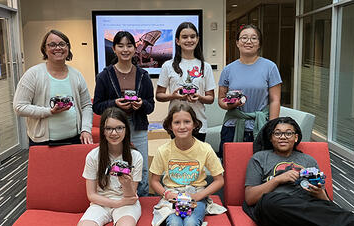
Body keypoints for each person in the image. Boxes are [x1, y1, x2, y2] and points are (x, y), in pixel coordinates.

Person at [150, 104, 225, 226]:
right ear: (170, 126)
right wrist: (167, 194)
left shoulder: (204, 149)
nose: (182, 126)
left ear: (195, 124)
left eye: (186, 121)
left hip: (196, 196)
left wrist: (199, 196)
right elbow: (153, 181)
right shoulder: (164, 150)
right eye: (177, 122)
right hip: (172, 197)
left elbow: (219, 180)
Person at [74, 107, 142, 226]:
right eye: (109, 128)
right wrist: (117, 203)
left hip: (126, 202)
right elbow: (91, 195)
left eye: (119, 128)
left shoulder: (135, 157)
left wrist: (126, 185)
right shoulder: (93, 156)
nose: (114, 133)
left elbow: (131, 196)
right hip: (101, 202)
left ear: (126, 130)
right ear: (103, 131)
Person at [93, 31, 155, 197]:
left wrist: (141, 104)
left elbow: (151, 106)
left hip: (138, 124)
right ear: (114, 49)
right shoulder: (105, 75)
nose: (125, 49)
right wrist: (114, 103)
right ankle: (116, 197)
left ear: (135, 49)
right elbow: (97, 106)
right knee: (113, 163)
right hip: (114, 127)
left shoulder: (143, 75)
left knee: (140, 165)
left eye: (129, 45)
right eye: (120, 45)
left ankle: (140, 198)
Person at [14, 29, 93, 146]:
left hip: (75, 140)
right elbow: (19, 107)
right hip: (43, 143)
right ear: (45, 49)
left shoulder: (76, 75)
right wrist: (49, 111)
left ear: (68, 48)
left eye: (62, 44)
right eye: (52, 45)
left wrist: (86, 129)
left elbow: (86, 105)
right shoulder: (33, 74)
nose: (58, 48)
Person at [217, 24, 282, 157]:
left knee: (259, 166)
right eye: (244, 38)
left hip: (260, 126)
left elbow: (275, 100)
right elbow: (221, 100)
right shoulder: (228, 69)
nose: (248, 41)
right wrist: (231, 104)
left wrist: (272, 127)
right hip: (232, 126)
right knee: (231, 166)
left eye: (254, 38)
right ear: (237, 43)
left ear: (259, 44)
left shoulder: (270, 67)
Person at [156, 22, 215, 142]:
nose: (189, 40)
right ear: (177, 41)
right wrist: (173, 96)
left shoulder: (205, 66)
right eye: (184, 37)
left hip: (199, 124)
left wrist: (198, 97)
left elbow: (211, 98)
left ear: (197, 39)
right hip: (176, 123)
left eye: (192, 37)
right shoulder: (168, 66)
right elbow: (159, 95)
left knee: (197, 159)